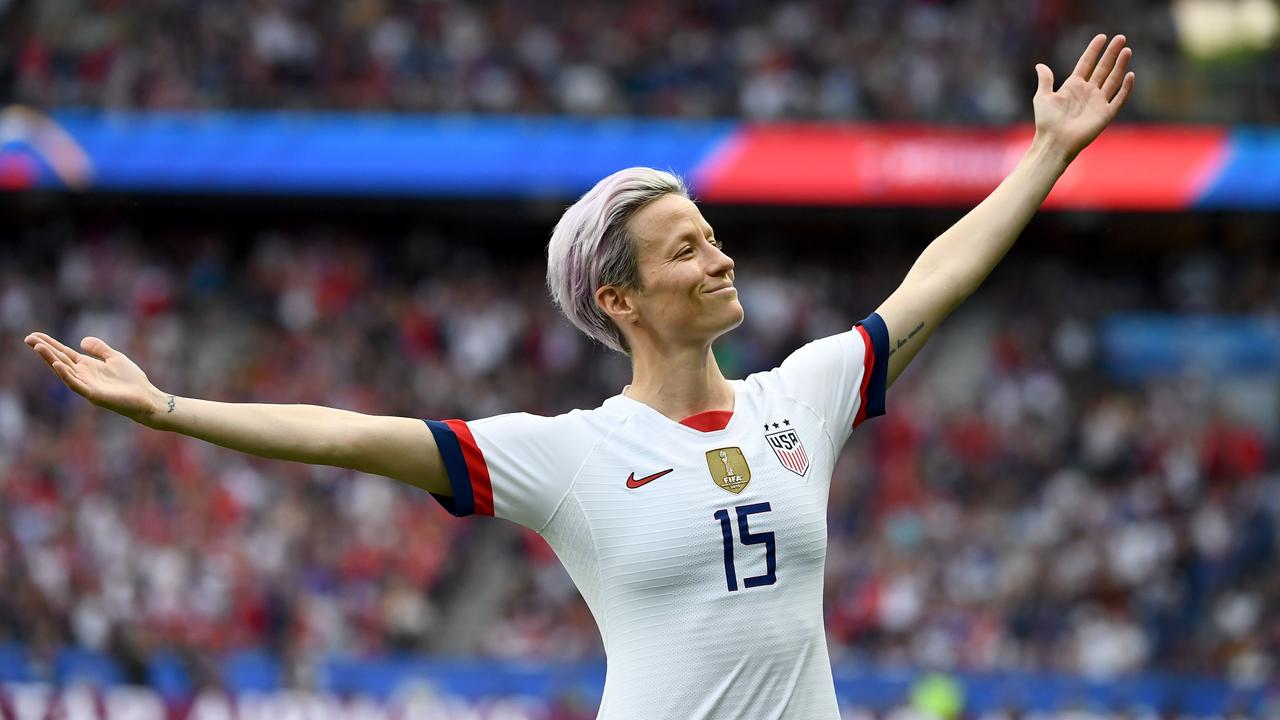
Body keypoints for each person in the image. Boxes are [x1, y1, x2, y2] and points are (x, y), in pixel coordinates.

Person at [24, 35, 1134, 720]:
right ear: (621, 298)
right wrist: (168, 408)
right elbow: (345, 434)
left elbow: (932, 280)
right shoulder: (568, 457)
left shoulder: (799, 398)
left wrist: (1045, 156)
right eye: (686, 249)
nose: (719, 257)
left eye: (713, 235)